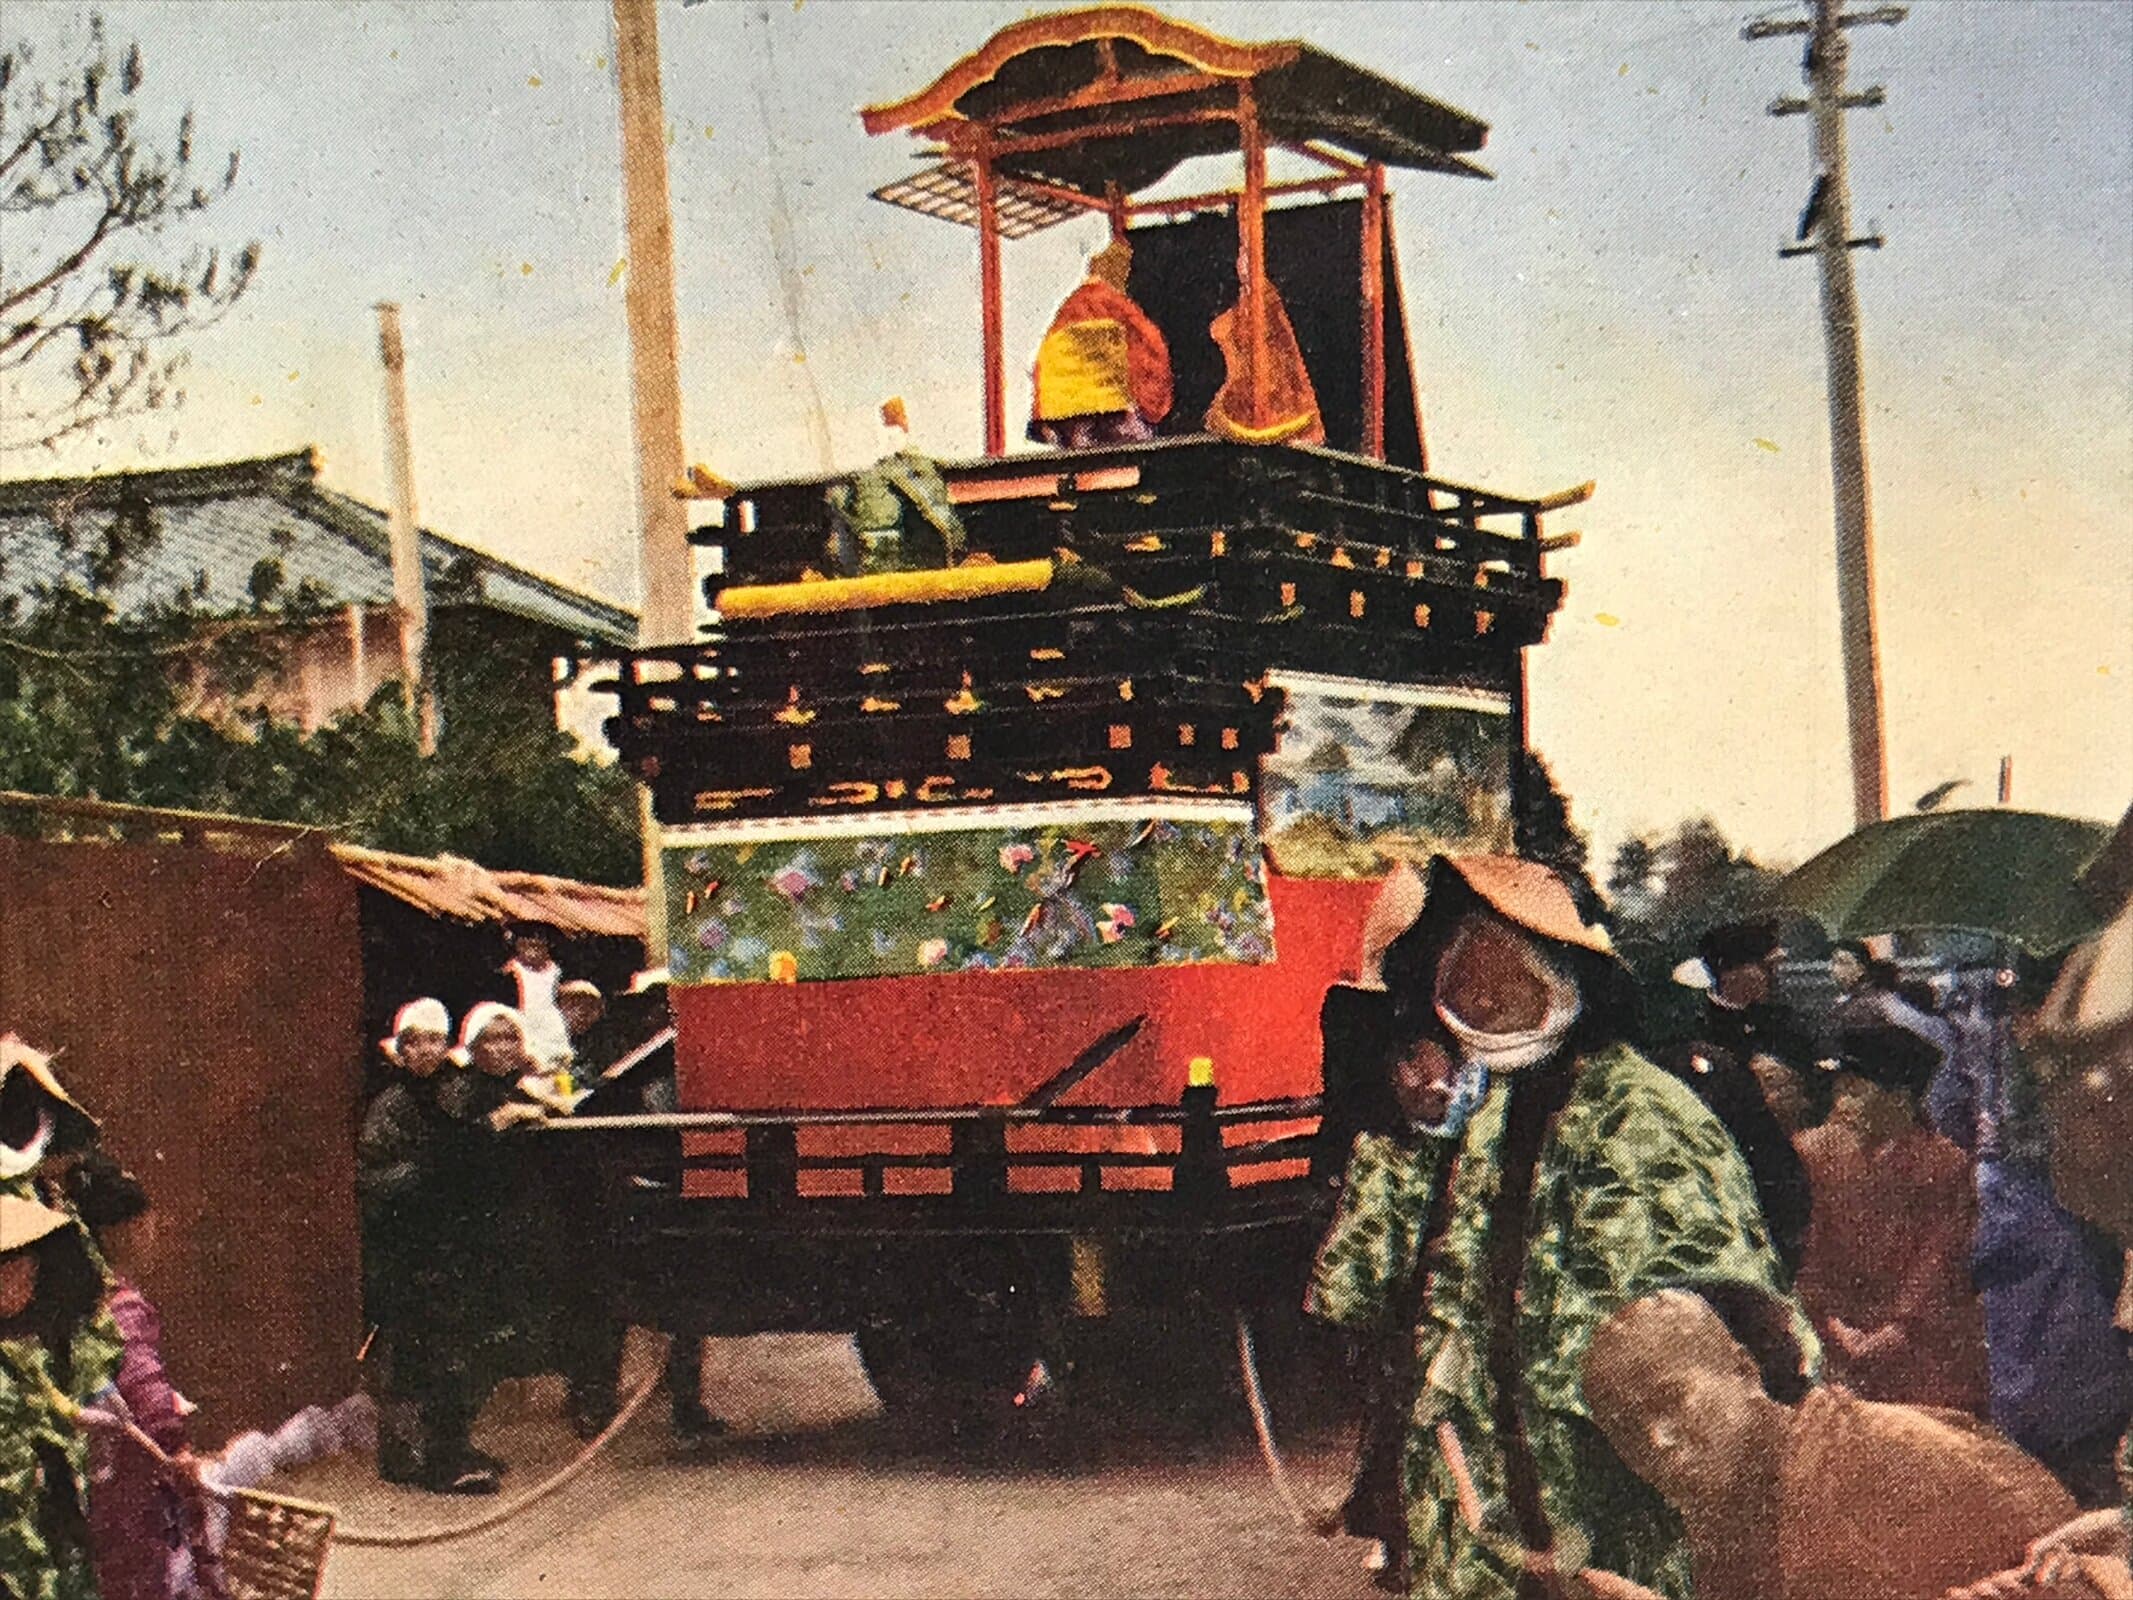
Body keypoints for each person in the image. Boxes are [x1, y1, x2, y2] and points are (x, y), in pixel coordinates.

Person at [1327, 854, 1797, 1600]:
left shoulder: (1641, 1114)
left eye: (1509, 971)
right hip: (1470, 1538)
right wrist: (1394, 1131)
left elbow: (1729, 1333)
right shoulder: (1463, 1127)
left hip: (1608, 1533)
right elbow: (1354, 1292)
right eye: (1463, 978)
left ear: (1565, 978)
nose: (1485, 995)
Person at [1581, 1285, 2086, 1600]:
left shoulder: (1890, 1456)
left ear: (1743, 1368)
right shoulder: (1726, 1519)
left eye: (1673, 1399)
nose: (1657, 1441)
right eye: (1627, 1430)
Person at [1792, 1026, 1989, 1413]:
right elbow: (1808, 1248)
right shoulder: (1815, 1152)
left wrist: (1897, 1329)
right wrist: (1828, 1320)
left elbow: (1939, 1261)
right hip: (1833, 1330)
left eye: (1856, 1091)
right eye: (1839, 1089)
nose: (1841, 1103)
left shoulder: (1945, 1164)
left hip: (1919, 1342)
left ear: (1899, 1099)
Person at [357, 998, 500, 1494]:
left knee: (460, 1347)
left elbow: (467, 1153)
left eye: (437, 1040)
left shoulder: (452, 1096)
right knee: (417, 1353)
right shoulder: (391, 1106)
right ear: (403, 1048)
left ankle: (453, 1442)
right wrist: (425, 1172)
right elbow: (375, 1176)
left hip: (453, 1242)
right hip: (409, 1247)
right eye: (418, 1041)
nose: (428, 1050)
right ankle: (423, 1455)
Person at [63, 1154, 212, 1600]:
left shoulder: (76, 1304)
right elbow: (145, 1390)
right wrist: (178, 1448)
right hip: (127, 1482)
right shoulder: (121, 1310)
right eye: (148, 1222)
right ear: (121, 1232)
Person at [1664, 919, 1816, 1278]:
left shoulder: (1787, 1024)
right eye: (1766, 966)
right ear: (1734, 972)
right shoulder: (1694, 1030)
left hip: (1785, 1162)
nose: (1773, 976)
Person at [1, 1190, 112, 1600]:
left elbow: (44, 1402)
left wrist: (77, 1414)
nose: (26, 1285)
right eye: (17, 1274)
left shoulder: (22, 1348)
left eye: (31, 1275)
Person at [1028, 238, 1173, 449]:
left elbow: (1043, 367)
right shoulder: (1117, 307)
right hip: (1108, 411)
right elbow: (1150, 354)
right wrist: (1153, 408)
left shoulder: (1067, 310)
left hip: (1058, 413)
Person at [1206, 244, 1324, 446]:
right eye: (1241, 261)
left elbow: (1282, 345)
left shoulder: (1267, 300)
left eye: (1247, 260)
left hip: (1271, 390)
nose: (1242, 266)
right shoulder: (1244, 300)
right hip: (1247, 387)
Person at [500, 924, 573, 1072]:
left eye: (538, 943)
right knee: (532, 1068)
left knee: (562, 1069)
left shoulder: (556, 971)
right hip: (525, 1023)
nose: (533, 949)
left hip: (552, 1026)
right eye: (527, 942)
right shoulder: (512, 970)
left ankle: (569, 1092)